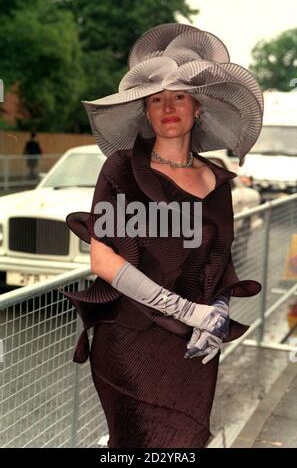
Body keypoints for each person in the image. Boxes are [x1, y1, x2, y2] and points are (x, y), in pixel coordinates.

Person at [59, 23, 263, 448]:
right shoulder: (120, 169)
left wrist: (218, 313)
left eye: (179, 97)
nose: (168, 106)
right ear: (146, 114)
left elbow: (220, 262)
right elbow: (103, 260)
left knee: (187, 442)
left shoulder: (217, 183)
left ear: (198, 109)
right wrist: (188, 311)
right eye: (156, 100)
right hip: (131, 341)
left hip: (194, 349)